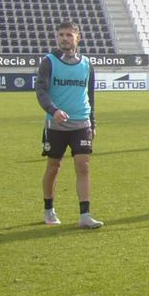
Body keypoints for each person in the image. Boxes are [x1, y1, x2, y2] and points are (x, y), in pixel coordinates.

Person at [35, 19, 101, 228]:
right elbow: (41, 91)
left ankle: (85, 215)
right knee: (54, 166)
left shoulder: (87, 64)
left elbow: (90, 95)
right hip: (56, 124)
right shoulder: (49, 61)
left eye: (68, 35)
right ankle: (49, 210)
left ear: (77, 38)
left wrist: (93, 122)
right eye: (61, 35)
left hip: (81, 122)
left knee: (83, 166)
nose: (64, 39)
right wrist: (53, 111)